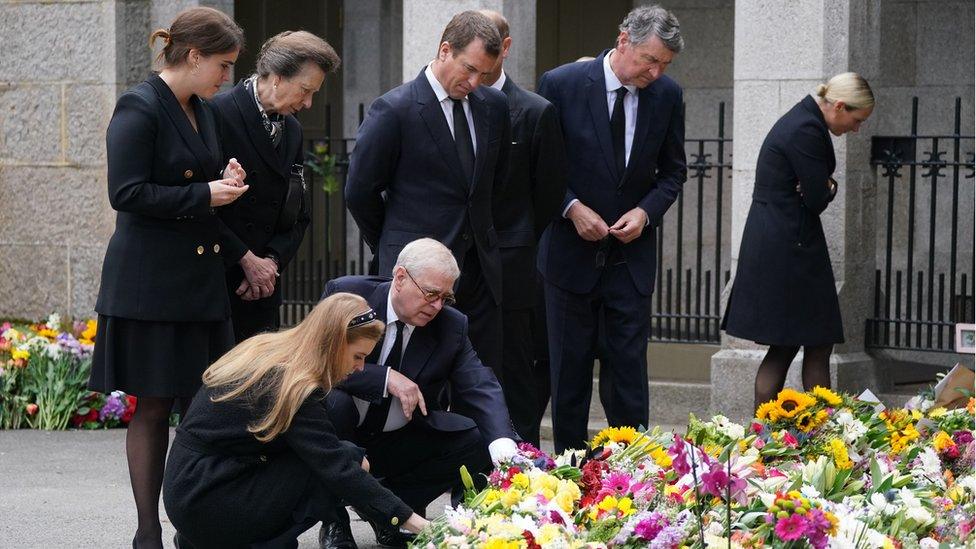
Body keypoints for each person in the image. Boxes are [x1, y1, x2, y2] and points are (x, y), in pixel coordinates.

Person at [87, 8, 246, 548]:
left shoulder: (203, 108)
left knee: (205, 406)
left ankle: (198, 522)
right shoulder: (140, 105)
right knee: (154, 404)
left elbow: (200, 175)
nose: (226, 78)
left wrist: (224, 179)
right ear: (194, 55)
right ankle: (147, 531)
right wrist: (203, 194)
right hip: (150, 284)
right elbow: (125, 193)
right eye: (222, 65)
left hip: (199, 282)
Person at [162, 293, 429, 548]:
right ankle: (253, 542)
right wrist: (416, 523)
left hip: (190, 483)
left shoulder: (272, 349)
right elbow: (336, 467)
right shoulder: (294, 385)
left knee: (345, 456)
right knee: (344, 463)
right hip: (205, 500)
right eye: (358, 356)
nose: (360, 367)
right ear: (334, 343)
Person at [537, 5, 687, 453]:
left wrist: (645, 213)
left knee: (628, 378)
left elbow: (672, 173)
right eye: (649, 60)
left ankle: (633, 475)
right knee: (569, 377)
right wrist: (571, 208)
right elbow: (541, 168)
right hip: (568, 258)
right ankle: (567, 473)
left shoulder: (667, 95)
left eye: (664, 65)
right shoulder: (560, 84)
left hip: (630, 261)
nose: (655, 72)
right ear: (624, 40)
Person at [318, 238, 518, 549]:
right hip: (343, 431)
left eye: (445, 297)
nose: (437, 306)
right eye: (431, 294)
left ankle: (390, 512)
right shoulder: (348, 296)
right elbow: (317, 361)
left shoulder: (451, 325)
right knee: (332, 403)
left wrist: (504, 446)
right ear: (400, 278)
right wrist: (385, 378)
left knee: (474, 438)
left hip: (399, 438)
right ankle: (334, 522)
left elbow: (480, 383)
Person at [344, 11, 511, 378]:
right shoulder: (395, 108)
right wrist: (394, 241)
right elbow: (359, 192)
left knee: (479, 377)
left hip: (480, 271)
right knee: (413, 375)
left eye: (483, 74)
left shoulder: (494, 108)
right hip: (419, 275)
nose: (473, 81)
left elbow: (490, 185)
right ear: (445, 49)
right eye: (468, 69)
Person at [722, 73, 875, 411]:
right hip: (790, 248)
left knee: (793, 344)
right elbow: (818, 197)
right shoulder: (807, 129)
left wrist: (821, 185)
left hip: (784, 243)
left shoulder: (803, 120)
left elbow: (814, 190)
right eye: (857, 119)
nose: (856, 129)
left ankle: (772, 434)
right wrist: (828, 186)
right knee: (809, 343)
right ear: (838, 106)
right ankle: (814, 436)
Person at [213, 31, 341, 342]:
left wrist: (271, 262)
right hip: (220, 281)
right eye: (305, 90)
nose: (309, 103)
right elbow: (198, 206)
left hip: (263, 289)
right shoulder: (217, 113)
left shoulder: (293, 130)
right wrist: (245, 259)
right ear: (278, 79)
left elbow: (298, 213)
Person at [479, 10, 567, 446]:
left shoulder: (536, 112)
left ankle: (523, 466)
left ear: (505, 48)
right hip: (454, 265)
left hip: (513, 267)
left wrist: (514, 238)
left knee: (516, 374)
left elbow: (548, 195)